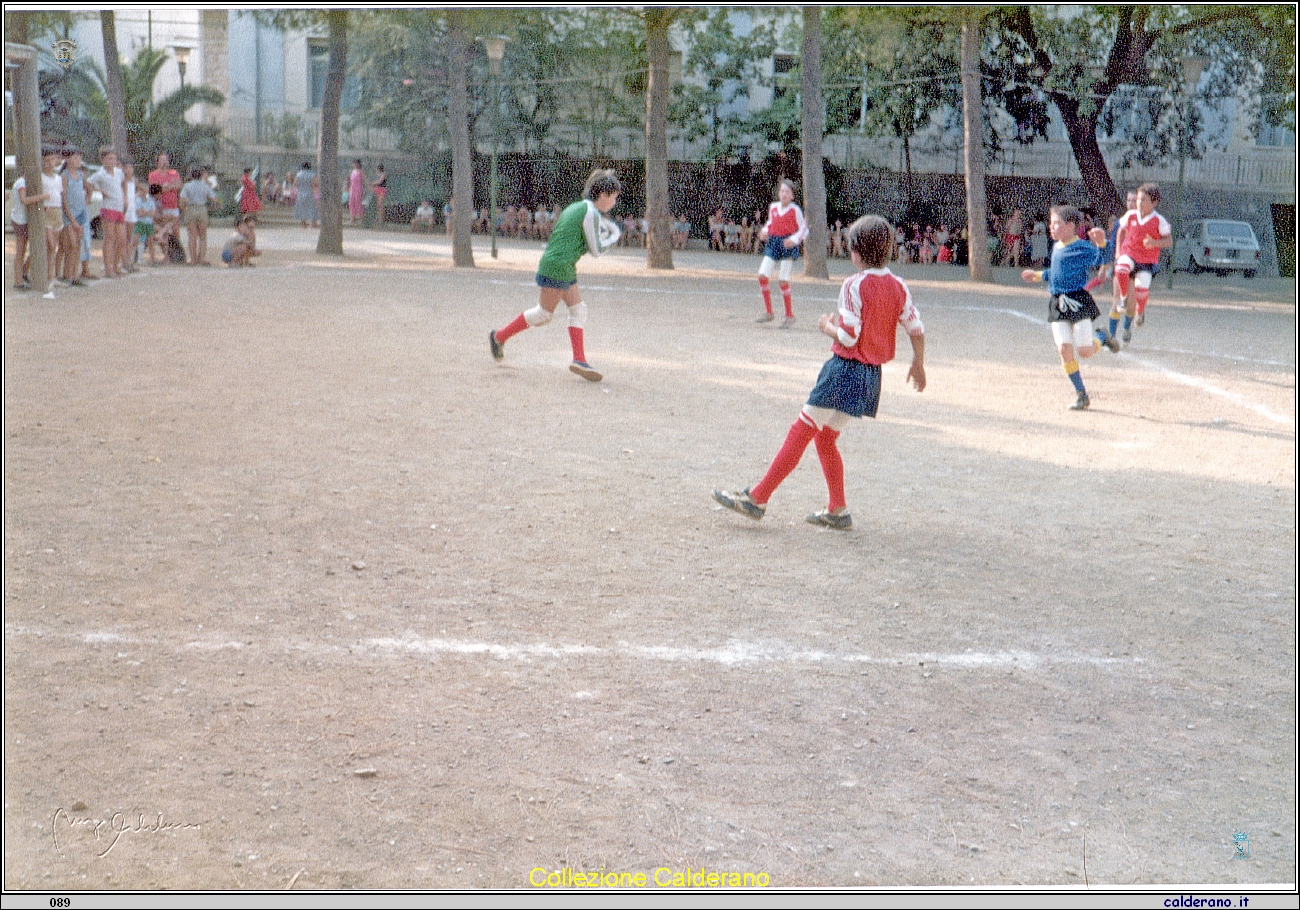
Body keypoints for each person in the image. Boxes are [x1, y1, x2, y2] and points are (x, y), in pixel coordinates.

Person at [714, 215, 926, 530]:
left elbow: (849, 336)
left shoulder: (854, 284)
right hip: (869, 378)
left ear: (856, 252)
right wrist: (918, 363)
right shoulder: (898, 286)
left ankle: (757, 498)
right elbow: (916, 328)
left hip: (844, 369)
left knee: (803, 429)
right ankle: (837, 509)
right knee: (825, 439)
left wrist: (827, 326)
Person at [488, 169, 622, 383]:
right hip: (558, 267)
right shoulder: (590, 212)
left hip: (562, 266)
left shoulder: (578, 207)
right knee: (543, 314)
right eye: (613, 197)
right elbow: (596, 249)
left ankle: (579, 360)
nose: (614, 202)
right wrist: (614, 237)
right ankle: (499, 336)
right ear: (604, 195)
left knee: (578, 309)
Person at [1021, 205, 1119, 411]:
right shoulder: (1057, 246)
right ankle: (1081, 394)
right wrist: (1037, 275)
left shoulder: (1083, 247)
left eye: (1056, 223)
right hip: (1057, 302)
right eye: (1051, 223)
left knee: (1084, 351)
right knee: (1064, 348)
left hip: (1077, 301)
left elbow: (1105, 258)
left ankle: (1103, 337)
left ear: (1070, 225)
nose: (1051, 227)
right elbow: (1056, 272)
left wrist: (1102, 242)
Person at [1109, 183, 1171, 344]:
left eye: (1143, 200)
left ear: (1154, 203)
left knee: (1141, 290)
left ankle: (1140, 312)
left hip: (1146, 261)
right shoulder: (1130, 215)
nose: (1139, 203)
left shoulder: (1159, 220)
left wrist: (1155, 243)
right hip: (1129, 254)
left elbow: (1169, 240)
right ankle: (1123, 299)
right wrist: (1118, 250)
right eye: (1138, 199)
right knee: (1121, 268)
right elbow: (1121, 230)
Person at [755, 179, 809, 327]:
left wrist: (794, 239)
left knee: (783, 280)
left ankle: (789, 316)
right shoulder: (773, 207)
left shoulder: (795, 210)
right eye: (782, 191)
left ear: (792, 196)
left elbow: (804, 229)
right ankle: (769, 312)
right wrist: (765, 231)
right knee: (762, 275)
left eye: (787, 192)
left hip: (787, 245)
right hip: (774, 243)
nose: (784, 194)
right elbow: (771, 223)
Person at [87, 147, 127, 278]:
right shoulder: (100, 174)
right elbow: (88, 183)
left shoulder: (119, 172)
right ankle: (108, 268)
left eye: (114, 159)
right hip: (108, 207)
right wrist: (99, 191)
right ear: (103, 159)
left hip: (119, 207)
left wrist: (125, 197)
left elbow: (124, 183)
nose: (112, 161)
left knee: (121, 239)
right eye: (109, 158)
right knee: (110, 238)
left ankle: (116, 265)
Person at [58, 148, 90, 285]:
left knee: (77, 245)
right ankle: (66, 274)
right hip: (69, 214)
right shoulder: (64, 176)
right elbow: (64, 199)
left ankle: (73, 275)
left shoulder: (81, 175)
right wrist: (71, 219)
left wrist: (87, 200)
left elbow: (89, 188)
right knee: (70, 244)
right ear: (68, 159)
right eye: (76, 158)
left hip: (81, 212)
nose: (78, 161)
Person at [179, 166, 218, 265]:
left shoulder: (187, 186)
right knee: (203, 236)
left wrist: (184, 210)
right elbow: (214, 198)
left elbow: (182, 200)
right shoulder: (204, 186)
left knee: (192, 236)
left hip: (191, 208)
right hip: (202, 209)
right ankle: (201, 259)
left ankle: (193, 259)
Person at [134, 182, 159, 266]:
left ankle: (153, 260)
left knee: (150, 241)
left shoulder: (150, 200)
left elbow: (153, 213)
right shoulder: (137, 200)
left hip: (149, 223)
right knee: (136, 240)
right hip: (140, 222)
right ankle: (133, 259)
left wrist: (145, 212)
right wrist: (148, 213)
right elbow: (139, 213)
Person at [293, 161, 318, 227]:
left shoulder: (298, 174)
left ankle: (303, 223)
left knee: (301, 208)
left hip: (301, 192)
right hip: (310, 192)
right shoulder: (313, 174)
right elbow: (314, 184)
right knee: (312, 208)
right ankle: (312, 222)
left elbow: (295, 184)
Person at [348, 159, 366, 225]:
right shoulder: (352, 171)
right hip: (352, 188)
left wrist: (370, 186)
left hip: (358, 188)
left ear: (359, 164)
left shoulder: (361, 171)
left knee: (358, 202)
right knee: (351, 202)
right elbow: (349, 180)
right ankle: (353, 217)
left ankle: (361, 217)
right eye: (354, 163)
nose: (355, 165)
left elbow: (365, 179)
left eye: (356, 163)